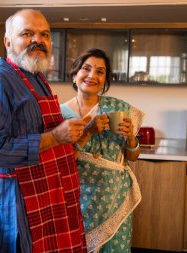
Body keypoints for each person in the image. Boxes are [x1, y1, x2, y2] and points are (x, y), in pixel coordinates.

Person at [0, 9, 88, 253]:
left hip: (47, 194)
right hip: (17, 201)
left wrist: (68, 135)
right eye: (27, 33)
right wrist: (55, 137)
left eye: (44, 34)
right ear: (7, 41)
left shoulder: (35, 77)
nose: (38, 40)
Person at [61, 48, 144, 253]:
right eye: (86, 69)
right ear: (75, 74)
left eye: (100, 72)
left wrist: (131, 138)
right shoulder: (59, 113)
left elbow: (132, 157)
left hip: (115, 198)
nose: (92, 76)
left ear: (105, 80)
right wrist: (88, 132)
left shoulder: (119, 109)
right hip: (77, 199)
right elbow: (61, 163)